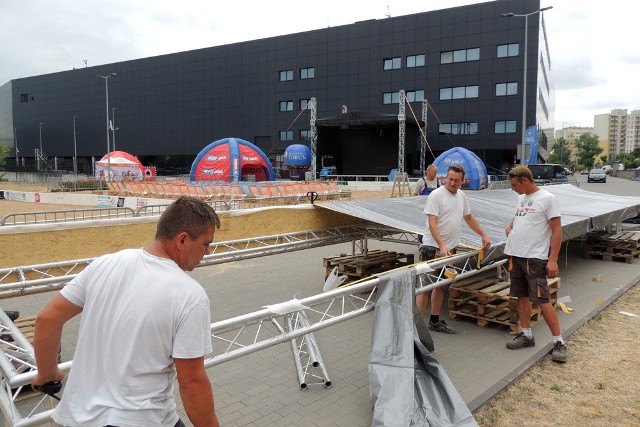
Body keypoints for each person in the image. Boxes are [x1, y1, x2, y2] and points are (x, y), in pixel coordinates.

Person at [33, 196, 222, 427]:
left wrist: (47, 373)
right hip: (141, 419)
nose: (208, 252)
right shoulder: (190, 295)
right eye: (206, 244)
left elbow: (47, 319)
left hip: (75, 418)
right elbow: (192, 382)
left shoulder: (104, 264)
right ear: (182, 240)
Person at [416, 164, 491, 334]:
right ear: (444, 178)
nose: (452, 182)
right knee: (424, 288)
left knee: (442, 285)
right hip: (432, 247)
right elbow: (432, 223)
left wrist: (483, 234)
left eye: (456, 180)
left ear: (462, 181)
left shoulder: (462, 196)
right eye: (450, 179)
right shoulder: (436, 196)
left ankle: (434, 321)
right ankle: (416, 326)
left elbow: (469, 217)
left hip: (450, 249)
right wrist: (441, 245)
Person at [503, 165, 567, 363]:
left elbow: (556, 230)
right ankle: (526, 335)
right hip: (516, 256)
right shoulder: (521, 198)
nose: (512, 188)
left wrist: (553, 259)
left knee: (542, 300)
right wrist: (511, 226)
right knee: (521, 297)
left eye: (514, 185)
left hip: (535, 258)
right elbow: (519, 217)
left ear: (525, 180)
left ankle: (559, 342)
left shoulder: (547, 199)